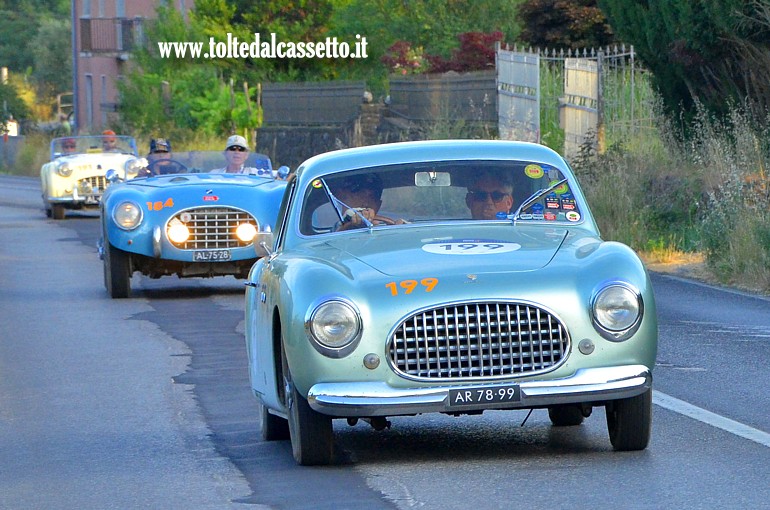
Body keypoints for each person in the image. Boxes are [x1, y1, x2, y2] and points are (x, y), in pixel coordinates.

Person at [332, 173, 402, 230]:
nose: (365, 203)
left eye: (372, 198)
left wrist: (398, 227)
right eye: (359, 195)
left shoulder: (387, 230)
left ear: (378, 205)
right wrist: (349, 224)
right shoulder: (332, 233)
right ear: (342, 196)